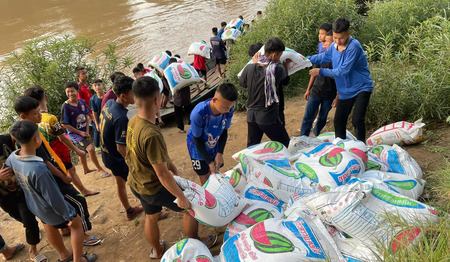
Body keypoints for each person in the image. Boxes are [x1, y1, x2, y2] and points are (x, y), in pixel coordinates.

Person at [125, 76, 217, 259]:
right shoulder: (151, 133)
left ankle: (156, 250)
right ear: (157, 100)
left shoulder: (133, 121)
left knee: (151, 216)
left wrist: (174, 169)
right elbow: (162, 174)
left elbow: (155, 159)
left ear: (135, 100)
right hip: (153, 187)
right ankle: (196, 242)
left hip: (136, 183)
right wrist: (181, 197)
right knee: (190, 210)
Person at [14, 96, 101, 247]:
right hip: (54, 178)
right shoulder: (30, 136)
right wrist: (63, 176)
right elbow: (45, 162)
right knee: (79, 201)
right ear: (23, 116)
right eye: (35, 113)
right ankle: (84, 233)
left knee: (62, 207)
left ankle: (67, 230)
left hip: (53, 174)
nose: (40, 115)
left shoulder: (26, 131)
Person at [6, 120, 98, 262]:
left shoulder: (13, 156)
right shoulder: (38, 168)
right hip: (50, 209)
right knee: (77, 224)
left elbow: (7, 169)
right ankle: (79, 260)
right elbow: (53, 198)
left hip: (35, 206)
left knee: (48, 224)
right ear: (37, 139)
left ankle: (65, 255)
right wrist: (68, 215)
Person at [24, 85, 99, 197]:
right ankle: (83, 191)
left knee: (68, 171)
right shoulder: (50, 118)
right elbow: (62, 138)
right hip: (60, 151)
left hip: (49, 153)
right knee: (71, 170)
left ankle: (82, 190)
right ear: (45, 96)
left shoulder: (33, 118)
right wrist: (77, 151)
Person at [307, 18, 373, 141]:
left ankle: (362, 148)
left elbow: (343, 71)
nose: (338, 41)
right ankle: (341, 148)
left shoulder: (354, 47)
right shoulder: (334, 46)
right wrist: (304, 60)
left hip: (361, 87)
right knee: (339, 121)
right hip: (345, 91)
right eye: (335, 38)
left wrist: (320, 71)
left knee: (357, 120)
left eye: (341, 38)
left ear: (348, 33)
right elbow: (323, 57)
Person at [99, 75, 145, 221]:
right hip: (117, 158)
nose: (136, 95)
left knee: (120, 182)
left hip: (107, 155)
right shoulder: (121, 118)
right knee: (139, 184)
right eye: (133, 93)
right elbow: (121, 147)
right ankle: (153, 211)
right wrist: (133, 164)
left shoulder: (109, 104)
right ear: (124, 96)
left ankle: (129, 210)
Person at [0, 134, 46, 262]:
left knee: (29, 220)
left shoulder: (5, 139)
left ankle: (33, 250)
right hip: (3, 197)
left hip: (20, 189)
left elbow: (21, 136)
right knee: (22, 219)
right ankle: (33, 230)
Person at [239, 37, 291, 147]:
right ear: (273, 55)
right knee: (284, 142)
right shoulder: (277, 69)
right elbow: (285, 80)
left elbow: (243, 84)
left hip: (251, 115)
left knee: (252, 146)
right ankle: (284, 163)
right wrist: (284, 64)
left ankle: (249, 164)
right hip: (268, 115)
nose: (279, 58)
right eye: (280, 55)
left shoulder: (249, 67)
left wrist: (253, 64)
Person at [187, 83, 238, 186]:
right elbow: (197, 139)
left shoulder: (228, 109)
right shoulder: (199, 113)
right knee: (205, 176)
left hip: (213, 143)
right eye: (225, 107)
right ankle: (208, 198)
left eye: (230, 107)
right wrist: (209, 162)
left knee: (214, 172)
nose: (228, 111)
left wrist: (220, 153)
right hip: (197, 147)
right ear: (214, 100)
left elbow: (224, 131)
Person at [61, 82, 110, 178]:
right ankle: (100, 169)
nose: (70, 94)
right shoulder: (66, 106)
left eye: (72, 91)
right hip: (75, 134)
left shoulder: (82, 102)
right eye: (68, 92)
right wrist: (80, 132)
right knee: (90, 149)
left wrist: (87, 131)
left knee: (82, 152)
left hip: (83, 131)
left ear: (77, 91)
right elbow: (64, 124)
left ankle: (86, 169)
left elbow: (87, 116)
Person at [300, 31, 337, 137]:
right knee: (308, 116)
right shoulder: (321, 56)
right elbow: (314, 73)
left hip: (330, 93)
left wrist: (338, 96)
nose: (324, 44)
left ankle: (316, 134)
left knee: (322, 117)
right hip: (316, 90)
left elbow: (341, 78)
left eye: (326, 41)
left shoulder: (338, 59)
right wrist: (308, 89)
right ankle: (303, 136)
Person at [169, 58, 192, 133]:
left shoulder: (171, 73)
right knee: (189, 111)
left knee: (178, 114)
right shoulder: (183, 70)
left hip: (178, 98)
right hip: (186, 96)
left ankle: (181, 128)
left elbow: (168, 86)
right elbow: (190, 81)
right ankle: (192, 124)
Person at [89, 79, 104, 153]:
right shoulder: (93, 99)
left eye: (99, 85)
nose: (97, 87)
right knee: (98, 131)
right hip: (99, 119)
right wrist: (97, 123)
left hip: (108, 118)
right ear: (92, 88)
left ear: (103, 86)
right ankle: (98, 146)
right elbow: (94, 112)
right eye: (95, 85)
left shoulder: (108, 96)